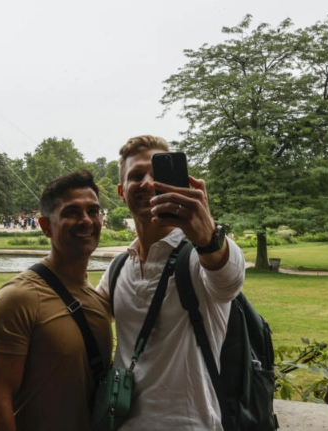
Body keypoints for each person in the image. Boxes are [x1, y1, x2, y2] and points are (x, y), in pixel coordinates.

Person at [96, 135, 245, 430]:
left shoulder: (200, 256)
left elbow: (228, 282)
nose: (148, 183)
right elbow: (84, 318)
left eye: (157, 174)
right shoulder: (119, 267)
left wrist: (208, 236)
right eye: (136, 176)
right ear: (121, 192)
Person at [0, 170, 113, 431]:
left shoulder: (97, 299)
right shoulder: (18, 299)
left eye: (93, 211)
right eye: (72, 212)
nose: (86, 220)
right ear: (45, 226)